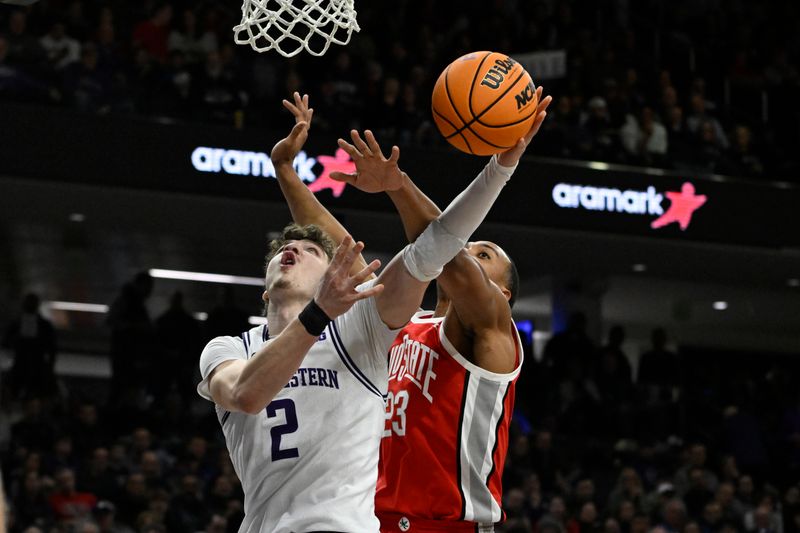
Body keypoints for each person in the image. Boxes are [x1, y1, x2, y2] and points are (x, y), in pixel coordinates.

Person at [196, 89, 539, 532]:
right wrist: (286, 173)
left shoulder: (490, 328)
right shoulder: (386, 321)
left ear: (504, 295)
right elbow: (334, 252)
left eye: (485, 253)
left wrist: (492, 170)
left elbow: (444, 250)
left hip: (447, 523)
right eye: (472, 244)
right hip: (372, 520)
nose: (471, 251)